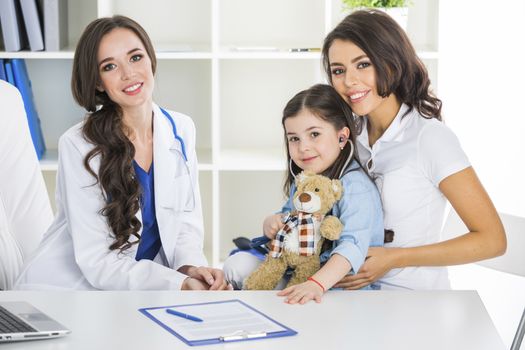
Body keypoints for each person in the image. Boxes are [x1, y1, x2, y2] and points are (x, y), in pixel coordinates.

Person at [14, 15, 229, 290]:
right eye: (110, 66)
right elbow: (98, 261)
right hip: (70, 291)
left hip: (139, 290)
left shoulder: (181, 129)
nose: (128, 74)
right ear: (98, 82)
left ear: (151, 58)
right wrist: (178, 284)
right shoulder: (79, 145)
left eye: (136, 57)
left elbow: (186, 225)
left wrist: (191, 271)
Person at [322, 9, 506, 290]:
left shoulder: (429, 139)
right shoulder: (346, 136)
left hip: (414, 300)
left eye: (363, 65)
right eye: (338, 70)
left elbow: (492, 240)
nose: (349, 81)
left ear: (391, 64)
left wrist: (395, 258)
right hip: (349, 297)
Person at [224, 84, 384, 304]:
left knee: (286, 296)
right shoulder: (305, 180)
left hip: (337, 284)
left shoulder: (355, 187)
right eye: (294, 138)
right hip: (299, 269)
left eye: (314, 134)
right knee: (236, 265)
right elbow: (289, 216)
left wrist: (316, 284)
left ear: (342, 137)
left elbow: (352, 246)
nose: (303, 147)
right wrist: (272, 222)